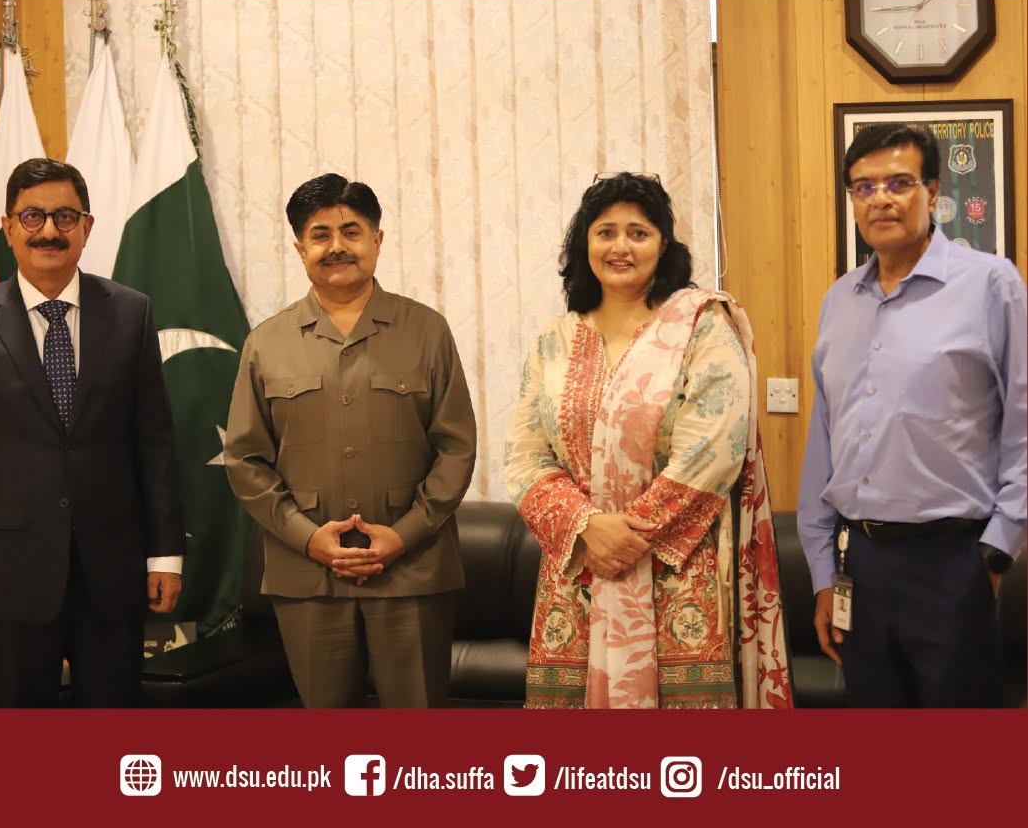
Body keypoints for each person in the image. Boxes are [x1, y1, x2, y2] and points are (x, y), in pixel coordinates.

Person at [504, 171, 792, 709]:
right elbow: (524, 457)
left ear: (664, 245)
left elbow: (715, 448)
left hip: (678, 574)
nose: (621, 246)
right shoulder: (553, 341)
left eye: (638, 233)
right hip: (577, 572)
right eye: (605, 232)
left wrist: (626, 537)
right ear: (585, 244)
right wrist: (587, 528)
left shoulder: (701, 328)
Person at [224, 173, 476, 708]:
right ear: (300, 249)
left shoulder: (426, 331)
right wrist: (307, 537)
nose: (336, 246)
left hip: (413, 570)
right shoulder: (266, 343)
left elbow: (456, 448)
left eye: (351, 231)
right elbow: (245, 460)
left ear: (377, 240)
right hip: (307, 576)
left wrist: (404, 535)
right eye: (320, 235)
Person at [798, 123, 1027, 707]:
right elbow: (824, 441)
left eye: (898, 183)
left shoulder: (991, 284)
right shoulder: (839, 300)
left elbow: (1023, 426)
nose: (881, 199)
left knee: (959, 752)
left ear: (932, 192)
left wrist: (995, 551)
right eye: (864, 186)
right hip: (859, 564)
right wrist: (823, 573)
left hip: (953, 562)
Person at [0, 158, 183, 707]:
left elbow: (155, 444)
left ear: (87, 227)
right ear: (8, 228)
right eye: (32, 217)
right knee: (22, 735)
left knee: (113, 728)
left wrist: (165, 557)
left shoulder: (131, 313)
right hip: (8, 577)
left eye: (65, 217)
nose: (49, 231)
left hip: (113, 569)